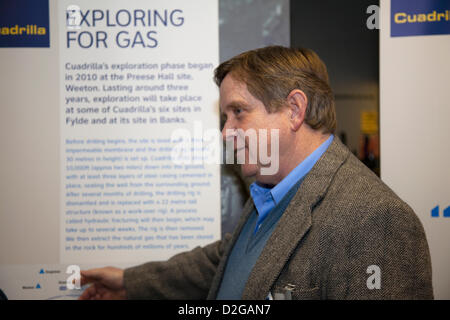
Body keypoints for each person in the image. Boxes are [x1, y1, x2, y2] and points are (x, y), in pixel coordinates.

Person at [79, 46, 433, 300]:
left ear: (294, 110)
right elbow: (226, 261)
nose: (225, 132)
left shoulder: (375, 219)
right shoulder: (270, 189)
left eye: (238, 112)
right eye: (225, 116)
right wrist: (129, 281)